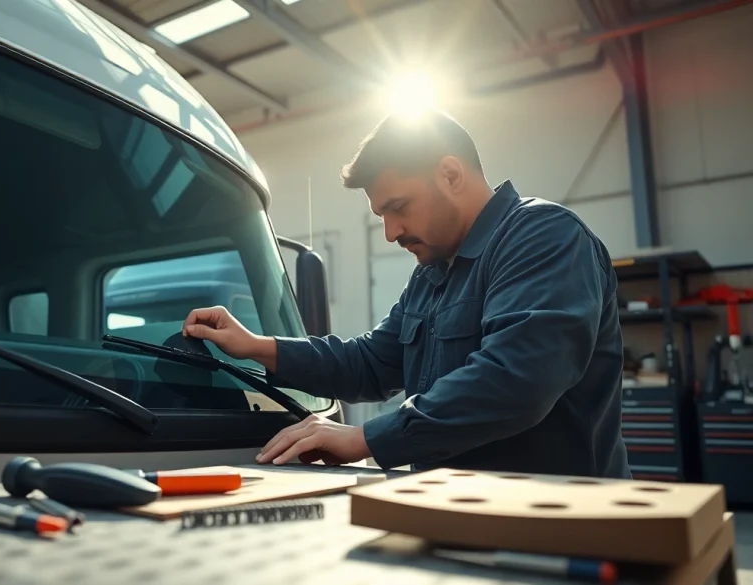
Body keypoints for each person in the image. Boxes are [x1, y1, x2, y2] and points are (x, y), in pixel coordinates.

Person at [182, 108, 631, 479]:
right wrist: (259, 347)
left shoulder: (543, 236)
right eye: (381, 214)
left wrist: (365, 440)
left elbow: (517, 380)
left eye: (398, 208)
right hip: (458, 524)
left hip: (559, 533)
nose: (391, 232)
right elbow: (370, 362)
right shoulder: (432, 273)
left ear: (451, 174)